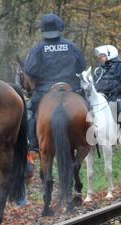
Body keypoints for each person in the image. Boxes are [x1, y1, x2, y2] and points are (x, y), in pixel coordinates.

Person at [24, 13, 86, 151]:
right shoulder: (72, 46)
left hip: (45, 91)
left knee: (29, 113)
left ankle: (33, 144)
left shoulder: (38, 49)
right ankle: (91, 140)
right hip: (72, 89)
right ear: (60, 27)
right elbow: (82, 67)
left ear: (42, 29)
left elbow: (29, 70)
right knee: (90, 109)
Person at [94, 44, 121, 129]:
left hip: (115, 95)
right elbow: (96, 82)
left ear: (110, 54)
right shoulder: (100, 68)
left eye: (103, 56)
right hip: (101, 96)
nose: (101, 58)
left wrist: (117, 90)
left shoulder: (119, 65)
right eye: (100, 56)